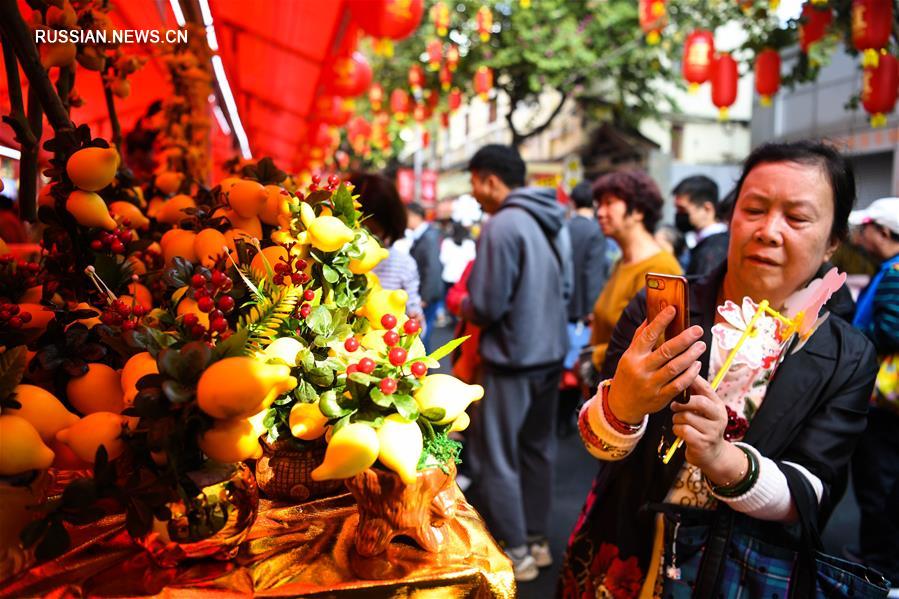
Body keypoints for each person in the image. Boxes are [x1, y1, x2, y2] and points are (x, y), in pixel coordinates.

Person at [559, 141, 879, 598]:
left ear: (833, 242)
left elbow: (811, 492)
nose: (769, 231)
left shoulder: (846, 355)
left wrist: (721, 459)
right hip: (628, 547)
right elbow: (598, 443)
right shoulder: (663, 310)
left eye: (797, 217)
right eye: (754, 209)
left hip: (742, 571)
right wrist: (623, 404)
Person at [461, 144, 572, 581]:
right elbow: (567, 290)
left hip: (511, 357)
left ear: (490, 179)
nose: (474, 193)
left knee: (498, 455)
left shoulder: (502, 224)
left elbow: (486, 304)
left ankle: (517, 551)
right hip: (549, 352)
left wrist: (463, 301)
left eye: (474, 182)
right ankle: (538, 539)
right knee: (537, 450)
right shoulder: (553, 218)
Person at [847, 196, 899, 586]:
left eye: (866, 228)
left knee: (877, 480)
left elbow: (893, 331)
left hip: (884, 400)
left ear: (884, 232)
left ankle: (880, 564)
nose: (861, 236)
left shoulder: (895, 273)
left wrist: (850, 336)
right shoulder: (887, 270)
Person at [587, 171, 682, 380]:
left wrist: (594, 356)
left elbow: (657, 344)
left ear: (638, 211)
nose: (600, 212)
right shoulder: (623, 261)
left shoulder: (660, 268)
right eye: (599, 204)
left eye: (609, 203)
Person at [349, 173, 423, 323]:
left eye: (370, 230)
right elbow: (416, 320)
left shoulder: (329, 256)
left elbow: (414, 319)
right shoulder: (404, 264)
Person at [672, 175, 730, 276]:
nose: (679, 215)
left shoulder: (715, 249)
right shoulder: (701, 242)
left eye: (683, 209)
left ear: (707, 209)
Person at [406, 202, 444, 350]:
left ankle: (425, 371)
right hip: (425, 295)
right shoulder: (424, 235)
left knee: (422, 337)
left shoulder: (428, 236)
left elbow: (432, 269)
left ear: (415, 216)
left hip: (426, 297)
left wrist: (424, 297)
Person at [439, 221, 476, 320]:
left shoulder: (447, 242)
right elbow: (472, 259)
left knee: (448, 296)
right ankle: (456, 315)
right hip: (462, 275)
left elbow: (443, 259)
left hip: (448, 274)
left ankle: (449, 314)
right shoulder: (470, 243)